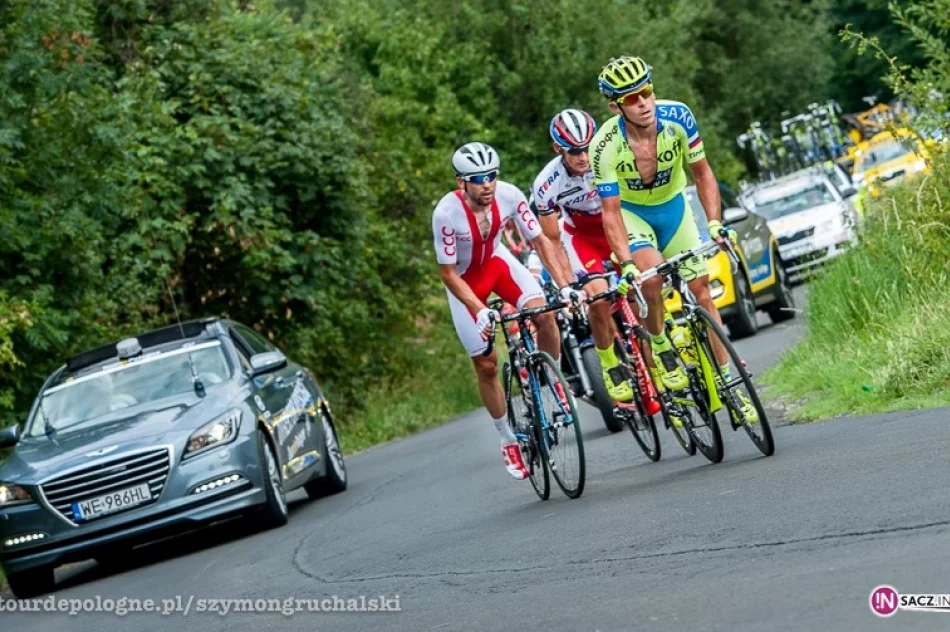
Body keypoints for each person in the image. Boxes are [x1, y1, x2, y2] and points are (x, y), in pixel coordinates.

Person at [591, 56, 755, 422]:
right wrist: (627, 263)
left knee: (701, 290)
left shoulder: (678, 117)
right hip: (634, 215)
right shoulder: (603, 146)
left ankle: (729, 384)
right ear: (616, 106)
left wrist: (714, 224)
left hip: (674, 208)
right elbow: (611, 212)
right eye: (632, 98)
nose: (644, 102)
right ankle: (662, 345)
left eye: (646, 91)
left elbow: (703, 173)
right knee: (651, 281)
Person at [433, 141, 581, 480]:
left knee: (544, 313)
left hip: (498, 265)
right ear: (462, 182)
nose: (487, 184)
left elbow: (539, 240)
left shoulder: (510, 195)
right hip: (466, 283)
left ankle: (551, 377)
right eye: (478, 178)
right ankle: (507, 439)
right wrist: (479, 309)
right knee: (485, 365)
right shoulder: (446, 214)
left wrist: (564, 284)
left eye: (491, 176)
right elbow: (448, 273)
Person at [531, 108, 634, 403]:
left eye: (588, 147)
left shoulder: (612, 153)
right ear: (558, 149)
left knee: (645, 283)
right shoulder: (547, 184)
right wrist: (567, 285)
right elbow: (552, 240)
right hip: (581, 236)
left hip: (618, 222)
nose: (584, 156)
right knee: (598, 299)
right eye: (575, 150)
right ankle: (610, 364)